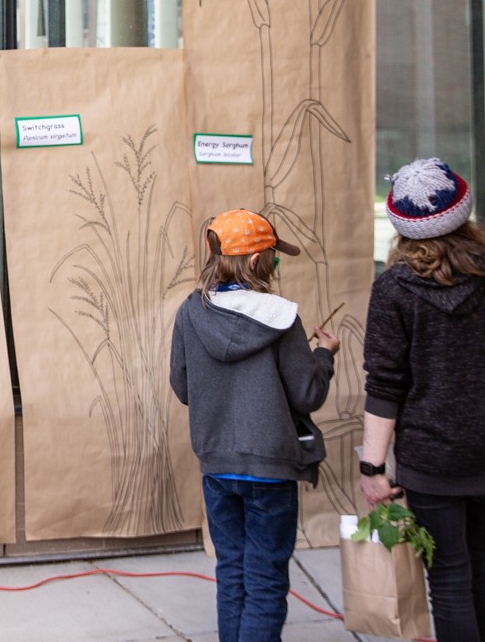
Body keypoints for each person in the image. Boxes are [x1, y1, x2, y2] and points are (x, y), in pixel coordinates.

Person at [360, 158, 485, 642]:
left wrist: (372, 468)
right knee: (475, 566)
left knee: (450, 577)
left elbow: (385, 384)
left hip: (433, 458)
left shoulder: (394, 289)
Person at [169, 208, 339, 642]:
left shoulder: (190, 311)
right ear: (259, 263)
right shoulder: (281, 318)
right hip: (271, 468)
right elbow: (308, 396)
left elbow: (182, 387)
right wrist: (324, 355)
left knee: (232, 572)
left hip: (217, 466)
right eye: (274, 259)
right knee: (264, 579)